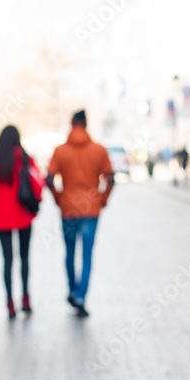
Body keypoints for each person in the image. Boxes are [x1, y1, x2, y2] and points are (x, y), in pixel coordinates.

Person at [46, 110, 113, 318]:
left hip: (68, 209)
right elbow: (111, 178)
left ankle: (72, 290)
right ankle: (81, 296)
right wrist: (102, 199)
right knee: (86, 255)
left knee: (69, 252)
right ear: (86, 124)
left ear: (71, 124)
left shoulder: (60, 150)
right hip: (92, 209)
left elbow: (48, 179)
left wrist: (59, 199)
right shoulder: (99, 149)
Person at [0, 126, 44, 319]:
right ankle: (25, 298)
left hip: (1, 217)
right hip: (23, 216)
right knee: (24, 258)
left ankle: (9, 303)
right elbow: (38, 183)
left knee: (7, 260)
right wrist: (35, 202)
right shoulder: (25, 158)